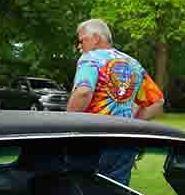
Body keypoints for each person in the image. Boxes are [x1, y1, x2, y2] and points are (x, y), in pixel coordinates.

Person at [67, 18, 164, 184]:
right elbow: (158, 102)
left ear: (96, 38)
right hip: (124, 142)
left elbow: (83, 92)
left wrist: (66, 122)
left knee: (84, 193)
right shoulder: (133, 63)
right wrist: (131, 123)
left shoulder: (90, 58)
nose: (79, 46)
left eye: (82, 40)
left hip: (91, 141)